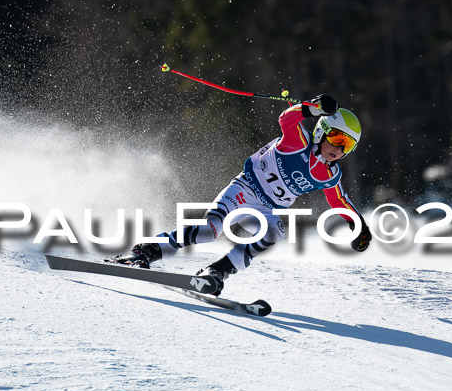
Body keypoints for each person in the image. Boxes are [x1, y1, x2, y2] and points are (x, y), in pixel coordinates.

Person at [111, 94, 372, 295]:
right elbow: (286, 119)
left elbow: (339, 200)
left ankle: (216, 272)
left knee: (275, 232)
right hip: (244, 189)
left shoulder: (329, 174)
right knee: (210, 230)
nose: (339, 149)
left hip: (265, 209)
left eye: (348, 145)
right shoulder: (298, 141)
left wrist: (358, 226)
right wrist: (312, 108)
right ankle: (144, 251)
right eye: (337, 139)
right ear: (322, 130)